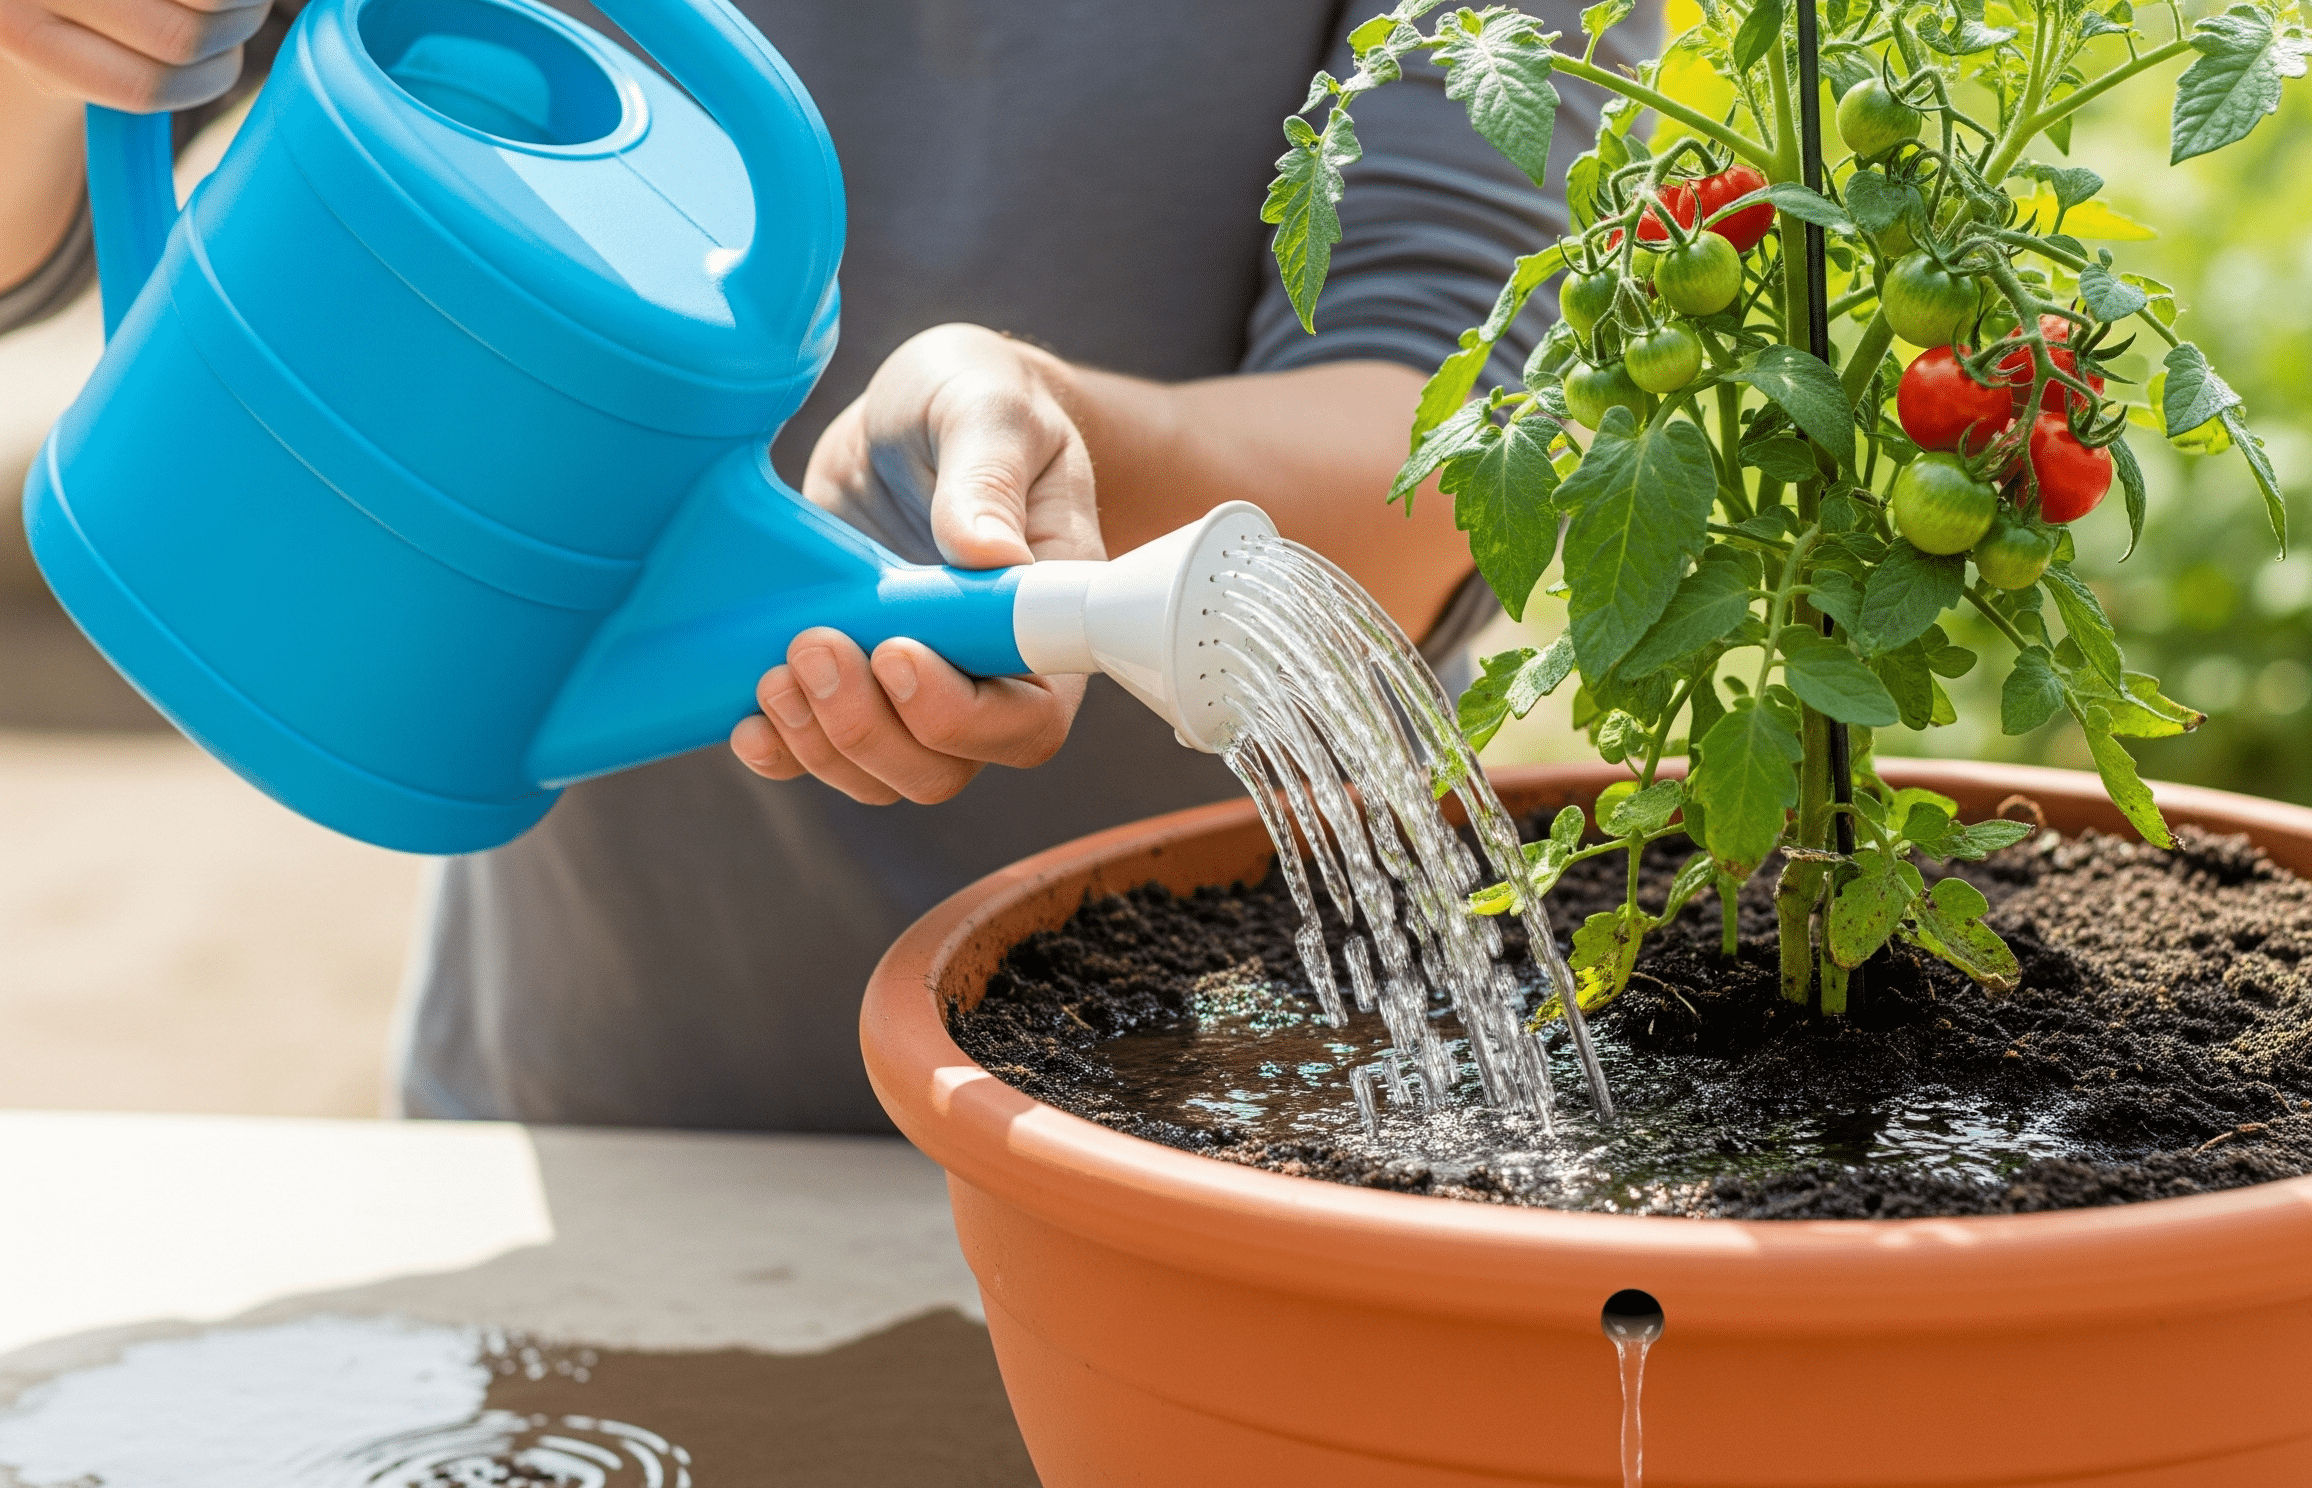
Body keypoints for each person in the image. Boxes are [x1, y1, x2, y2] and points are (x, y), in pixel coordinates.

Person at [0, 0, 1629, 1130]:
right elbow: (35, 229)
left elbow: (1434, 456)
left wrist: (1065, 436)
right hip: (606, 1106)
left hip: (1234, 1132)